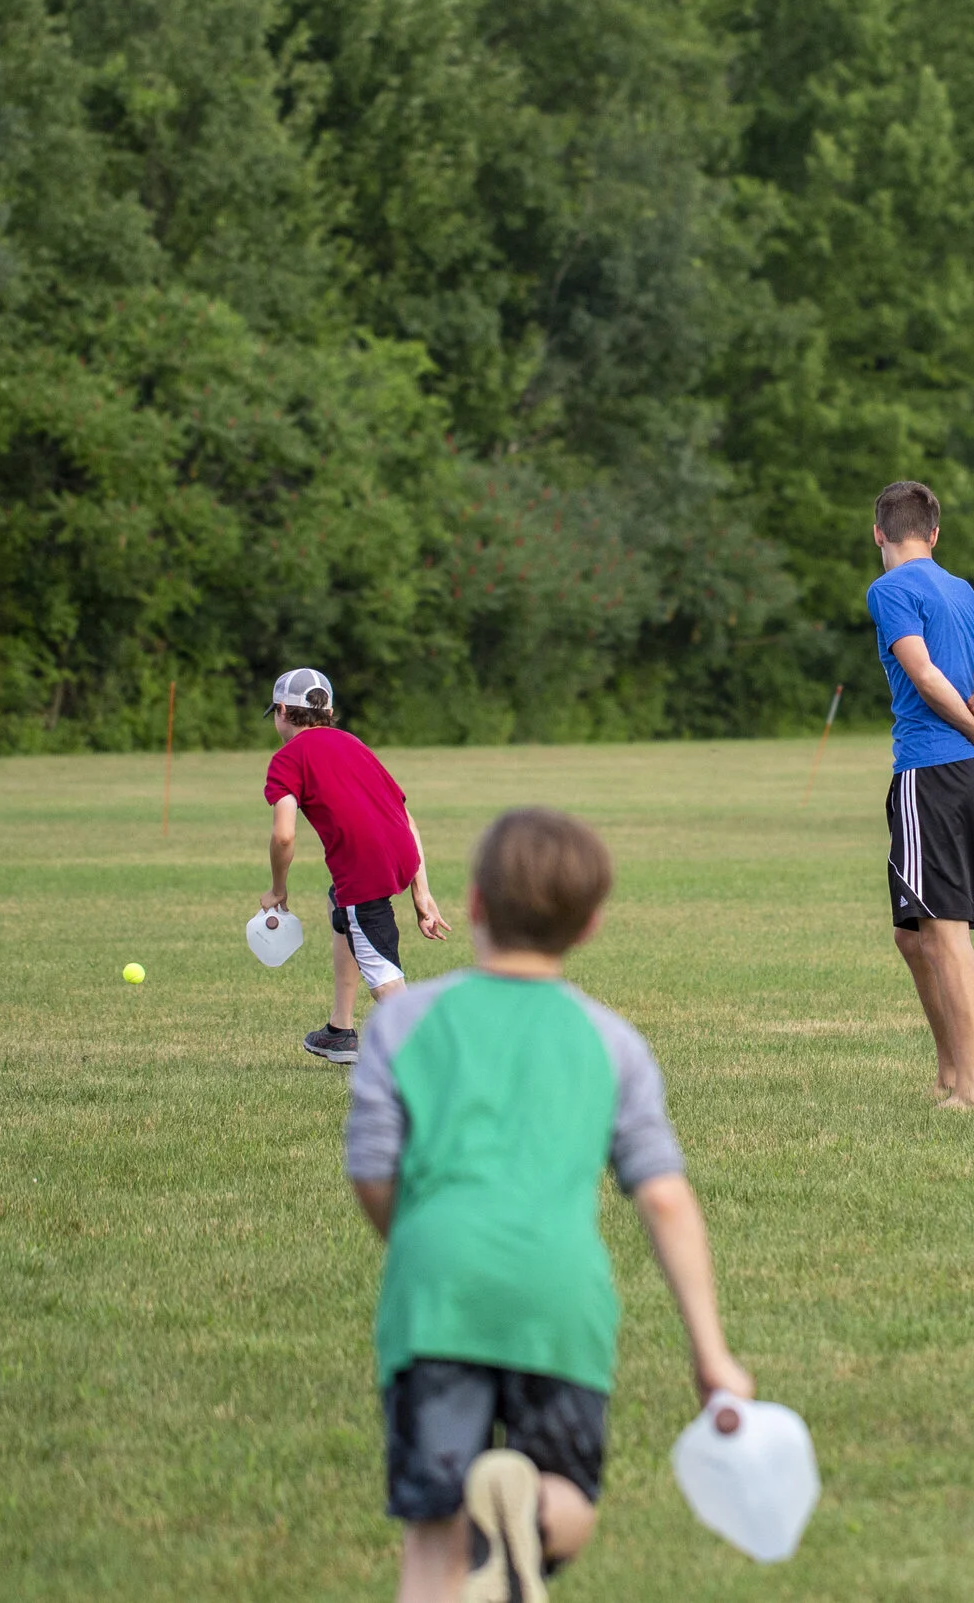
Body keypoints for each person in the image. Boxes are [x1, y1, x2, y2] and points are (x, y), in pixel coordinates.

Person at [345, 806, 752, 1603]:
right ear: (592, 924)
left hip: (435, 1293)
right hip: (559, 1299)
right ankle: (527, 1524)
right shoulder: (611, 1040)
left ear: (472, 904)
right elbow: (664, 1198)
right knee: (569, 1495)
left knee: (434, 1532)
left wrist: (417, 1235)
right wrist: (710, 1351)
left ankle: (486, 1543)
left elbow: (370, 1170)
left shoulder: (402, 1022)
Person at [865, 480, 974, 1111]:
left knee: (946, 933)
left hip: (933, 770)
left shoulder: (890, 588)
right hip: (971, 774)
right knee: (913, 934)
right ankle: (950, 1073)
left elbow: (922, 674)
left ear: (879, 534)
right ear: (935, 533)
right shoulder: (963, 590)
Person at [259, 668, 449, 1065]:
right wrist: (422, 891)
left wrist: (278, 889)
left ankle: (439, 1056)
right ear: (327, 711)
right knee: (338, 906)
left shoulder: (286, 759)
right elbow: (403, 814)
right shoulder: (352, 743)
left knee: (382, 973)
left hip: (364, 871)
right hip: (402, 854)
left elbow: (283, 836)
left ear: (281, 710)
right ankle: (340, 1031)